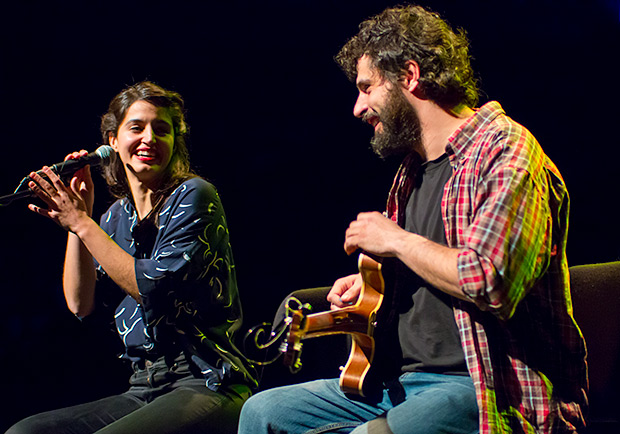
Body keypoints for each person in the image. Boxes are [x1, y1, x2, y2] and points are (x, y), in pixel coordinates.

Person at [238, 4, 587, 434]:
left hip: (483, 388)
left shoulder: (506, 150)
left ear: (410, 75)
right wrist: (371, 284)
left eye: (367, 88)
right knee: (261, 413)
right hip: (395, 383)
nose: (357, 107)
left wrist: (396, 240)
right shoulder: (412, 171)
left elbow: (490, 281)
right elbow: (426, 267)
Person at [6, 81, 256, 434]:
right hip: (143, 386)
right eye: (137, 128)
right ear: (112, 141)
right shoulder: (114, 218)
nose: (150, 138)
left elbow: (152, 287)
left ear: (174, 142)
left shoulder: (194, 195)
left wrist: (82, 223)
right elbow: (80, 303)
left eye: (162, 130)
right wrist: (83, 220)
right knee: (26, 432)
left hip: (206, 379)